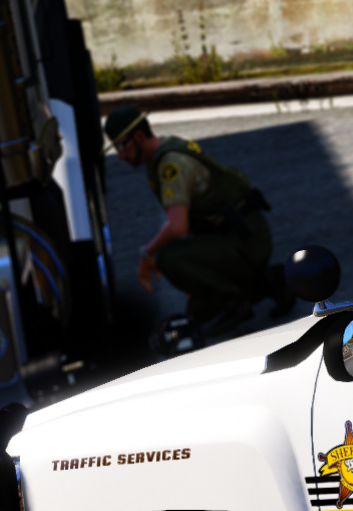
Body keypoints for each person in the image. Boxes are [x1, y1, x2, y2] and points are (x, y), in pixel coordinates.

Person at [103, 104, 287, 339]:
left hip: (246, 240)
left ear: (139, 137)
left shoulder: (171, 164)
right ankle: (272, 283)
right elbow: (189, 223)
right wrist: (194, 272)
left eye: (121, 146)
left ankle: (237, 305)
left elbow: (177, 226)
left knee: (168, 257)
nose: (120, 155)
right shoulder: (162, 153)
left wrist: (147, 254)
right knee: (196, 315)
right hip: (233, 234)